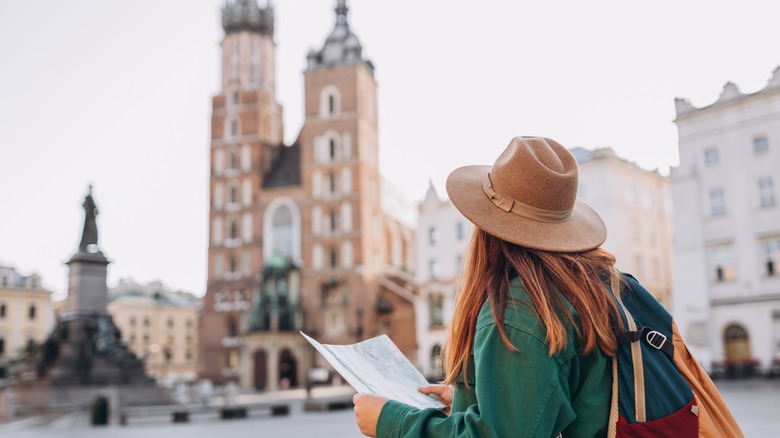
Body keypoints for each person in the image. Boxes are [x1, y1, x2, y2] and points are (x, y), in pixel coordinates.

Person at [354, 136, 626, 437]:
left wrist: (390, 421)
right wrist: (477, 399)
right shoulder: (594, 284)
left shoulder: (519, 310)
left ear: (487, 228)